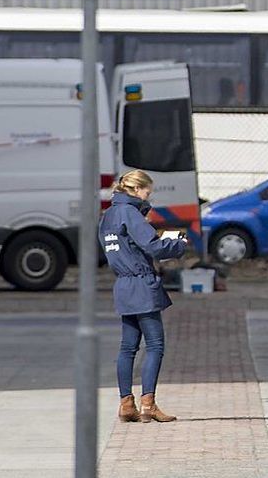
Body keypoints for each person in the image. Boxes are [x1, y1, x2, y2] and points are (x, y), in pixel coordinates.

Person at [100, 169, 188, 424]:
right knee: (155, 345)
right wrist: (179, 244)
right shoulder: (130, 213)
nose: (149, 196)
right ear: (137, 190)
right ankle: (148, 403)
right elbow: (153, 246)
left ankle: (126, 403)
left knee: (127, 347)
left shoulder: (108, 216)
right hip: (141, 283)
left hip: (123, 284)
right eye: (148, 192)